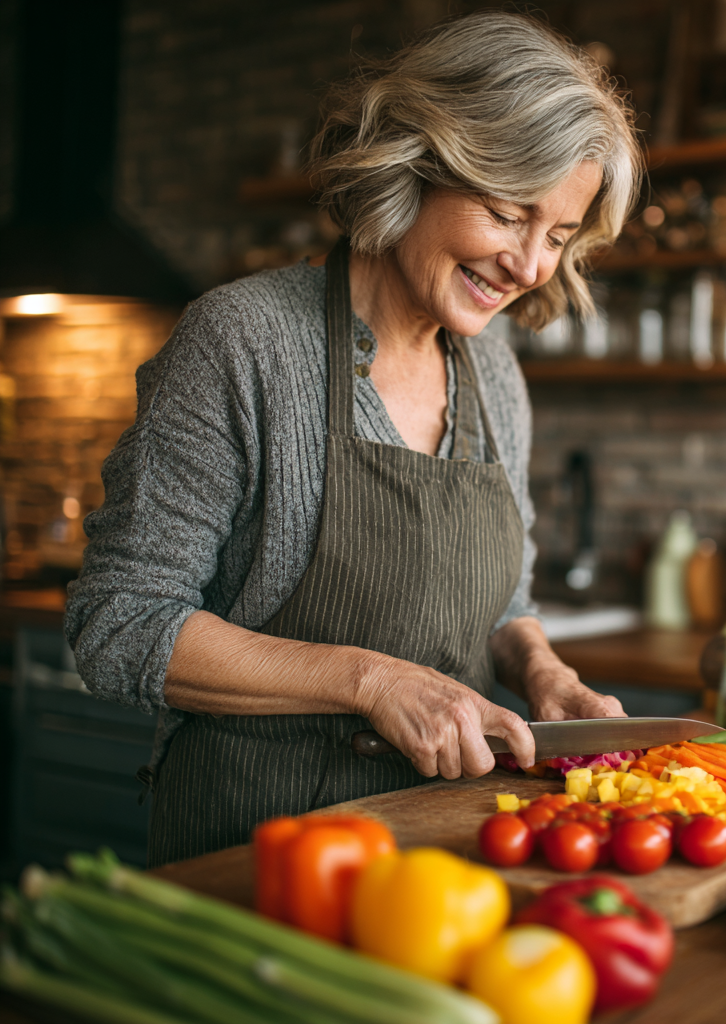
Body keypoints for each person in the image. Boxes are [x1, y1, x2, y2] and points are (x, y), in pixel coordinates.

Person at [65, 11, 643, 866]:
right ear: (417, 164)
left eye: (557, 236)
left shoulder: (496, 374)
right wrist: (371, 682)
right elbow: (120, 622)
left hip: (448, 860)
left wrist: (543, 672)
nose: (529, 267)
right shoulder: (244, 342)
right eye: (506, 213)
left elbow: (503, 602)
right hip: (251, 856)